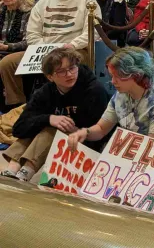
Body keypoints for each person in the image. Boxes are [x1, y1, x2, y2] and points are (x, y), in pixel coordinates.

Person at [0, 49, 109, 181]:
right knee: (40, 124)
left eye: (73, 68)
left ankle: (26, 171)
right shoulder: (45, 92)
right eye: (61, 71)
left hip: (86, 143)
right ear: (50, 77)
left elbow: (100, 134)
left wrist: (64, 127)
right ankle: (12, 169)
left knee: (53, 128)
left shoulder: (94, 90)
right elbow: (18, 129)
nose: (69, 74)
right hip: (62, 141)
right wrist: (49, 118)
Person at [67, 47, 154, 152]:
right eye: (112, 76)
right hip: (127, 153)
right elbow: (101, 129)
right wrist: (85, 132)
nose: (113, 81)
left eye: (118, 76)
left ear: (137, 75)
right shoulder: (120, 95)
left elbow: (152, 148)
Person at [25, 0, 100, 69]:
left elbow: (92, 32)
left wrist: (73, 45)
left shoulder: (88, 2)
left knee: (61, 62)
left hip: (75, 50)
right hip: (44, 50)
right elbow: (32, 33)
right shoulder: (42, 3)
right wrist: (43, 48)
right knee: (8, 63)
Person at [0, 0, 34, 108]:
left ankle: (15, 106)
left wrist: (8, 46)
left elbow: (29, 41)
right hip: (2, 49)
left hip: (20, 50)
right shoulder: (1, 9)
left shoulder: (28, 12)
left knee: (6, 62)